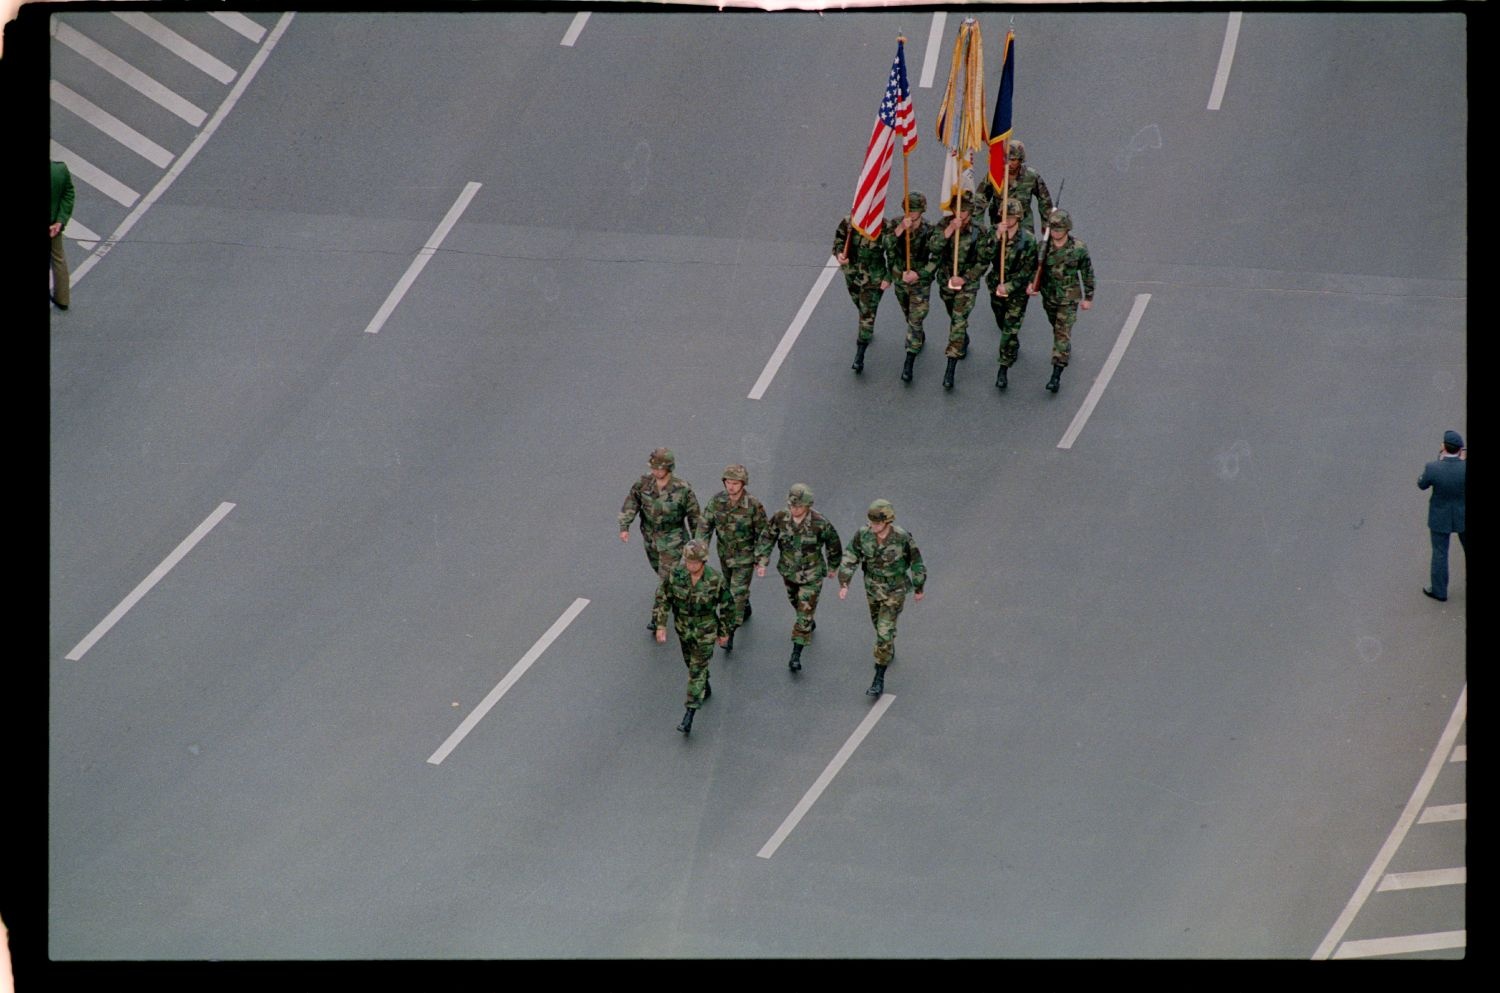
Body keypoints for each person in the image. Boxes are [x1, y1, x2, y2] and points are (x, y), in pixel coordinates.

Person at [838, 499, 926, 698]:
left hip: (895, 590)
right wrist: (844, 581)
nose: (873, 526)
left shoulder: (901, 537)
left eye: (877, 523)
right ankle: (887, 646)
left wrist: (919, 586)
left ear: (887, 521)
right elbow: (851, 555)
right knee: (878, 625)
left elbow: (917, 562)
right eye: (871, 522)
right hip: (872, 588)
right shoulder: (863, 535)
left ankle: (878, 678)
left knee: (884, 633)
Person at [755, 483, 842, 673]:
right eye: (792, 505)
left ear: (808, 506)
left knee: (803, 616)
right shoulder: (780, 518)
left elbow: (833, 544)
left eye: (799, 506)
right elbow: (767, 538)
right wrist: (762, 561)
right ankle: (807, 620)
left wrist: (833, 566)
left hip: (811, 574)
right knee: (795, 602)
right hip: (789, 572)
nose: (794, 509)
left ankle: (796, 653)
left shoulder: (820, 523)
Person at [619, 448, 704, 631]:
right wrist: (625, 526)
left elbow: (694, 516)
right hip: (650, 538)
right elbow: (632, 502)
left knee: (665, 579)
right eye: (654, 468)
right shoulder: (643, 483)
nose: (656, 471)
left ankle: (658, 618)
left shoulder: (682, 488)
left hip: (673, 539)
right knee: (660, 571)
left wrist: (697, 544)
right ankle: (683, 588)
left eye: (660, 468)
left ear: (669, 468)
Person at [654, 539, 731, 734]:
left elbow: (727, 607)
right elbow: (663, 598)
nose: (690, 565)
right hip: (683, 629)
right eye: (688, 561)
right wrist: (661, 624)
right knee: (690, 663)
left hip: (705, 632)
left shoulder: (715, 580)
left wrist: (723, 632)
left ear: (703, 561)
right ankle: (704, 683)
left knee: (696, 671)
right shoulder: (677, 575)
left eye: (694, 562)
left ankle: (689, 713)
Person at [696, 463, 767, 651]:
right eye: (728, 482)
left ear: (743, 484)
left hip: (745, 556)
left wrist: (761, 559)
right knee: (729, 588)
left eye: (735, 483)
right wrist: (700, 550)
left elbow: (764, 534)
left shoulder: (753, 505)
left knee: (735, 595)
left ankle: (729, 633)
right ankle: (745, 605)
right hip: (724, 553)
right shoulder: (717, 501)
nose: (731, 486)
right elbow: (705, 525)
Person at [929, 198, 996, 390]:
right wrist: (949, 230)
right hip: (946, 281)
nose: (960, 216)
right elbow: (933, 248)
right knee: (953, 314)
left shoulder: (979, 232)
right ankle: (962, 338)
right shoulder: (943, 225)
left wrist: (966, 278)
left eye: (964, 213)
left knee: (957, 322)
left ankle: (951, 367)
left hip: (967, 285)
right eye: (957, 212)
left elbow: (984, 261)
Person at [1027, 208, 1094, 393]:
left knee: (1061, 335)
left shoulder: (1078, 248)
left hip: (1069, 298)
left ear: (1067, 229)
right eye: (1053, 229)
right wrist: (1032, 285)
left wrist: (1088, 297)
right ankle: (1063, 348)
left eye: (1059, 229)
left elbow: (1087, 273)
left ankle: (1056, 375)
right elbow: (1033, 269)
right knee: (1054, 325)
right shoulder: (1043, 247)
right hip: (1049, 296)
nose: (1056, 232)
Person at [882, 191, 940, 384]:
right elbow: (886, 245)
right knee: (908, 313)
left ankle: (909, 360)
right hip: (900, 279)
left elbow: (936, 258)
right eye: (909, 210)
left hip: (920, 282)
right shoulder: (896, 224)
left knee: (915, 320)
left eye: (915, 210)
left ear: (922, 211)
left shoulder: (930, 229)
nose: (911, 214)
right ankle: (917, 335)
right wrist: (900, 229)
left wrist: (920, 274)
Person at [985, 198, 1040, 390]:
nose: (1007, 220)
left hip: (1016, 291)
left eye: (1011, 216)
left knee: (1010, 328)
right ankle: (1011, 343)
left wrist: (1011, 285)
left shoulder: (1028, 239)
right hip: (995, 285)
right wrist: (996, 239)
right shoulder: (993, 232)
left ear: (1018, 217)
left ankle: (1003, 368)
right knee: (1000, 319)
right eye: (1004, 216)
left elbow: (1029, 269)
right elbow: (983, 257)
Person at [834, 209, 892, 373]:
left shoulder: (883, 226)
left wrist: (888, 277)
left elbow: (893, 253)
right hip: (852, 273)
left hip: (874, 278)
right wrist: (840, 254)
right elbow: (838, 241)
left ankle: (860, 354)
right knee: (859, 305)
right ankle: (866, 328)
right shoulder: (848, 223)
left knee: (867, 314)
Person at [1418, 430, 1467, 602]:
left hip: (1440, 516)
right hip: (1463, 514)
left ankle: (1439, 591)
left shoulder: (1433, 468)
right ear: (1460, 450)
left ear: (1444, 447)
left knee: (1440, 553)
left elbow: (1421, 484)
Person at [979, 139, 1053, 236]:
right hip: (1000, 224)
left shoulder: (1031, 176)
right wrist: (978, 224)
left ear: (1020, 160)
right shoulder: (995, 175)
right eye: (1006, 159)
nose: (1009, 163)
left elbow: (1045, 200)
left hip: (1024, 224)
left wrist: (1046, 224)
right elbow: (980, 199)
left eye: (1013, 160)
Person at [51, 159, 75, 310]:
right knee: (58, 260)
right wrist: (60, 220)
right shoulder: (59, 170)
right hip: (53, 225)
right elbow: (68, 193)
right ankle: (62, 298)